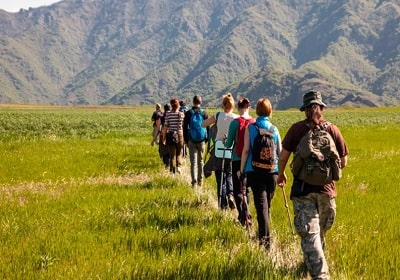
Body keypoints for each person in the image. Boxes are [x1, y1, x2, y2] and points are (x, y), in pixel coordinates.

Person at [277, 90, 349, 280]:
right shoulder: (332, 129)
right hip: (327, 191)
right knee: (319, 234)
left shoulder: (296, 129)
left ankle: (320, 275)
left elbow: (283, 156)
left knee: (311, 235)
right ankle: (316, 269)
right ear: (321, 108)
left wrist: (281, 174)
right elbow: (343, 162)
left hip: (302, 191)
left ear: (305, 110)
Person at [239, 98, 282, 250]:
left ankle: (265, 243)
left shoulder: (251, 128)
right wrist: (281, 173)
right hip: (272, 172)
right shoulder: (274, 129)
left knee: (261, 207)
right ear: (270, 111)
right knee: (267, 206)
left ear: (257, 111)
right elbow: (280, 153)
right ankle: (265, 236)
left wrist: (242, 169)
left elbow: (245, 150)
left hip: (255, 172)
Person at [202, 93, 238, 210]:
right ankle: (230, 194)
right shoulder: (236, 118)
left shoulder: (218, 115)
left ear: (223, 105)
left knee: (220, 176)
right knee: (229, 174)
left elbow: (204, 124)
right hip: (231, 150)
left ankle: (222, 205)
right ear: (233, 106)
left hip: (218, 150)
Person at [224, 97, 255, 224]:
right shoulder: (254, 122)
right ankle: (246, 214)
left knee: (238, 189)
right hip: (252, 160)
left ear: (238, 108)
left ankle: (244, 216)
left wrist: (225, 140)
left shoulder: (235, 123)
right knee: (246, 189)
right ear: (249, 107)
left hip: (237, 159)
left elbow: (228, 144)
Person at [183, 95, 209, 187]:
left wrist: (186, 140)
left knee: (193, 162)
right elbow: (208, 127)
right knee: (201, 161)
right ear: (200, 102)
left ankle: (193, 182)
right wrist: (206, 139)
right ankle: (200, 181)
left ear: (193, 102)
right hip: (202, 140)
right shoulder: (204, 113)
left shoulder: (189, 113)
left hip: (191, 140)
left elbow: (185, 128)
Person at [162, 98, 185, 174]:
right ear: (178, 105)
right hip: (180, 135)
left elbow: (165, 127)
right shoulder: (181, 114)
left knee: (172, 156)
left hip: (171, 135)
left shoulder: (168, 114)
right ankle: (179, 167)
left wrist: (164, 137)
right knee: (179, 153)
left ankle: (172, 172)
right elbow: (183, 126)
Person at [158, 103, 171, 168]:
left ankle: (166, 164)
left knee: (162, 149)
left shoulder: (162, 116)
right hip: (170, 134)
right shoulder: (171, 115)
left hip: (163, 133)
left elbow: (159, 127)